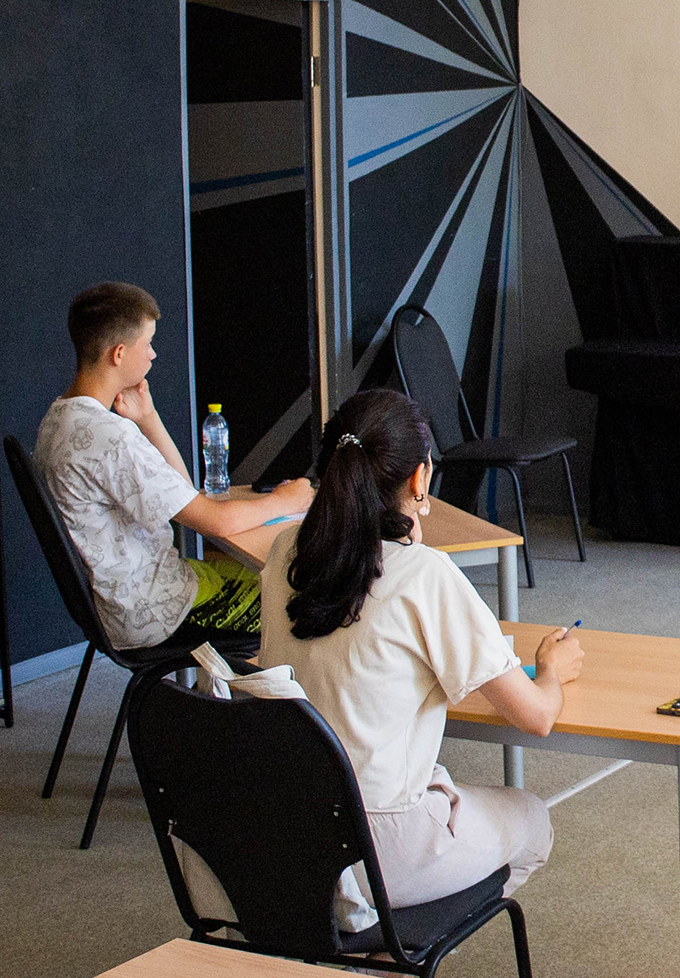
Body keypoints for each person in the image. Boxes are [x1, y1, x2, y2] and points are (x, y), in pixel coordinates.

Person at [258, 388, 584, 905]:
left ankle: (374, 932)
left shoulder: (284, 551)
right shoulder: (424, 574)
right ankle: (403, 936)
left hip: (285, 826)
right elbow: (536, 717)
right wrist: (550, 669)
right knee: (532, 820)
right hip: (377, 844)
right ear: (420, 477)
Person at [34, 282, 312, 650]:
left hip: (123, 600)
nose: (153, 354)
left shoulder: (60, 419)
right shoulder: (109, 437)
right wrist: (286, 500)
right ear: (119, 353)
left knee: (258, 573)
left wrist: (148, 419)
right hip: (155, 611)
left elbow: (182, 494)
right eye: (147, 343)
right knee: (302, 600)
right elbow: (214, 521)